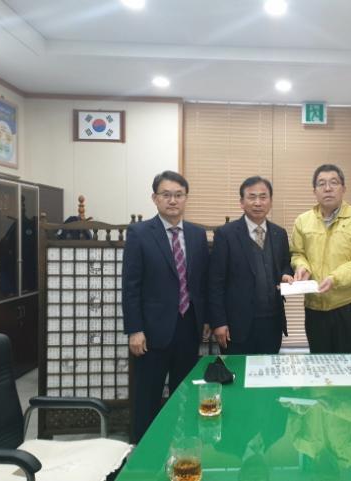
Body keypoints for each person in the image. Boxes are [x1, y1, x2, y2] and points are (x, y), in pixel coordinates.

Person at [122, 170, 210, 442]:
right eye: (166, 194)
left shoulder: (196, 234)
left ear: (186, 198)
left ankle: (181, 445)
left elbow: (202, 281)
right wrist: (134, 329)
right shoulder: (139, 233)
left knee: (184, 394)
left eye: (178, 195)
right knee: (147, 396)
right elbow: (131, 285)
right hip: (151, 332)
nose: (173, 200)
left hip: (188, 326)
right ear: (155, 198)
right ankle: (143, 450)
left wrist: (206, 319)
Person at [290, 164, 351, 353]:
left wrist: (335, 278)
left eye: (334, 183)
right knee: (319, 362)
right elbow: (297, 253)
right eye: (321, 184)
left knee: (350, 363)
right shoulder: (303, 221)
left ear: (343, 188)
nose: (327, 188)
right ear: (314, 191)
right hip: (314, 307)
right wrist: (302, 267)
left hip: (349, 306)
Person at [208, 176, 293, 354]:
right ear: (242, 202)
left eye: (263, 197)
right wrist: (219, 322)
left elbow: (285, 264)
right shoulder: (226, 234)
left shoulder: (279, 233)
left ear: (270, 201)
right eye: (252, 197)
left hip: (272, 322)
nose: (257, 203)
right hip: (236, 325)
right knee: (236, 371)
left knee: (269, 369)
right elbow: (215, 282)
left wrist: (286, 274)